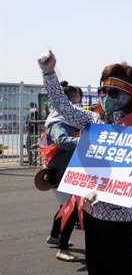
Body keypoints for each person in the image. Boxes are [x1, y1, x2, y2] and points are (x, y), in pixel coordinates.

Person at [37, 50, 132, 275]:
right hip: (92, 208)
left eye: (112, 91)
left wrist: (109, 188)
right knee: (97, 269)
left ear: (127, 95)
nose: (105, 96)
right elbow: (62, 107)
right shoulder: (93, 119)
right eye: (102, 90)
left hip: (120, 214)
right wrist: (49, 74)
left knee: (122, 272)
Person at [43, 81, 82, 261]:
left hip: (68, 168)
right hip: (60, 170)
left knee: (65, 206)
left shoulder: (70, 119)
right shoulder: (58, 121)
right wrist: (85, 140)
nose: (77, 106)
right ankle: (63, 248)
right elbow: (62, 141)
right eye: (74, 102)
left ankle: (54, 236)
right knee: (71, 208)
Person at [25, 101, 40, 166]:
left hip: (35, 132)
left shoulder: (37, 114)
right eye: (30, 107)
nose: (31, 108)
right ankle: (30, 160)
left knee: (34, 146)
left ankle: (35, 160)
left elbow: (38, 122)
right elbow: (27, 122)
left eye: (32, 106)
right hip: (29, 131)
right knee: (28, 146)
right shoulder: (29, 114)